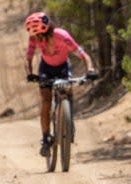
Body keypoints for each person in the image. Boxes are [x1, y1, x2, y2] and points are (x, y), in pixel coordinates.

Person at [24, 12, 98, 157]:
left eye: (41, 35)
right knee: (46, 100)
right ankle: (45, 139)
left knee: (66, 91)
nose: (39, 39)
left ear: (48, 30)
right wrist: (29, 73)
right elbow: (28, 58)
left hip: (63, 67)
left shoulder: (62, 36)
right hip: (45, 68)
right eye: (36, 35)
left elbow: (83, 54)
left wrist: (90, 69)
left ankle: (68, 119)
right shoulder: (34, 38)